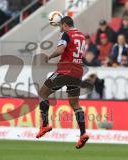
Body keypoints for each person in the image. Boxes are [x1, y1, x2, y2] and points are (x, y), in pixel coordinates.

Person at [36, 16, 92, 149]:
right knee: (75, 104)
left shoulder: (67, 34)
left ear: (65, 25)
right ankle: (83, 133)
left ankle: (45, 125)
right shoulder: (82, 36)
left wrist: (49, 56)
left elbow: (61, 50)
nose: (60, 28)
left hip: (65, 70)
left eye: (61, 25)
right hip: (77, 72)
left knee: (42, 93)